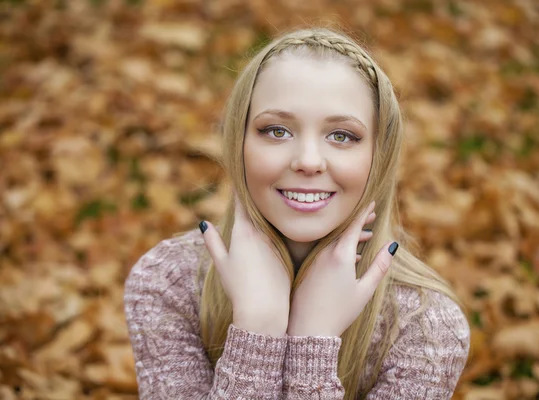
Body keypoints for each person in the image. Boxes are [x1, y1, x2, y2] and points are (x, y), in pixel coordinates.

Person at [124, 27, 470, 399]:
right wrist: (257, 331)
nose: (307, 161)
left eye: (341, 135)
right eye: (276, 131)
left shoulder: (424, 325)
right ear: (238, 143)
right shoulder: (170, 282)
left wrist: (313, 344)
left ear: (379, 157)